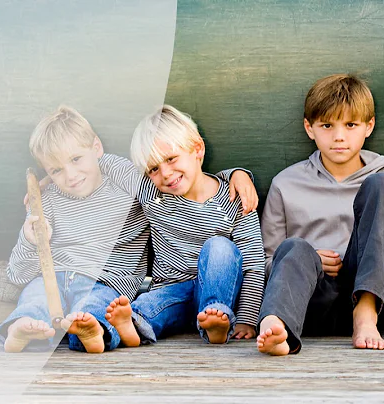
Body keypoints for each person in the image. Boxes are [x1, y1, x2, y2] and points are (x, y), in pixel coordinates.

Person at [255, 73, 384, 355]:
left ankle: (364, 314)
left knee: (381, 184)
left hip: (375, 306)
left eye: (350, 125)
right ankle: (277, 328)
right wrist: (312, 260)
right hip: (311, 304)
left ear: (368, 126)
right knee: (294, 247)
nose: (339, 136)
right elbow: (268, 261)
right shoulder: (286, 183)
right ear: (309, 128)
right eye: (327, 125)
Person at [99, 105, 265, 345]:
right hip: (172, 291)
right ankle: (130, 327)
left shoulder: (235, 199)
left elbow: (253, 264)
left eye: (171, 159)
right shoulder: (151, 192)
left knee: (220, 247)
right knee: (148, 305)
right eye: (153, 169)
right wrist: (51, 178)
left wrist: (247, 320)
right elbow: (106, 163)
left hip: (216, 292)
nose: (165, 173)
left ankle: (215, 321)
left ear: (197, 149)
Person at [0, 106, 150, 353]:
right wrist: (29, 240)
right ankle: (21, 326)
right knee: (34, 297)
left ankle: (91, 330)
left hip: (105, 279)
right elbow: (17, 275)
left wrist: (235, 173)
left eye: (76, 159)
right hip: (53, 277)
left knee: (98, 305)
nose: (70, 176)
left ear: (97, 148)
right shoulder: (46, 199)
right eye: (56, 170)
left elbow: (150, 184)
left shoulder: (122, 184)